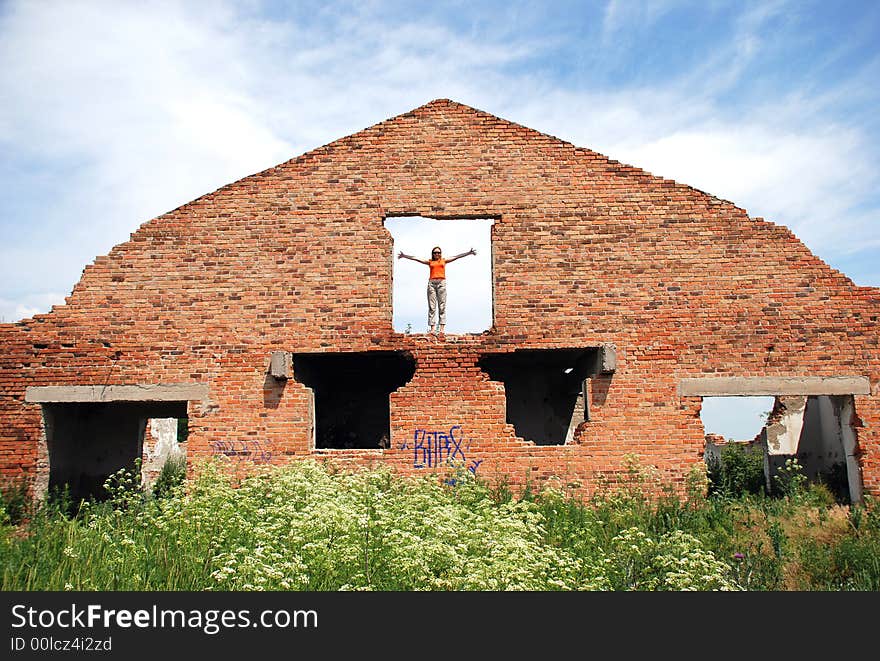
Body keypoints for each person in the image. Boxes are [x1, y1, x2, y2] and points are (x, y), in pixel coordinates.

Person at [397, 246, 476, 334]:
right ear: (432, 254)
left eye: (438, 252)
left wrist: (469, 253)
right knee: (432, 307)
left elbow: (457, 256)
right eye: (435, 253)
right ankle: (433, 329)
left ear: (440, 254)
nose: (437, 254)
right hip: (431, 284)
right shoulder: (430, 262)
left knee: (442, 306)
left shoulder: (444, 260)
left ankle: (442, 329)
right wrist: (404, 256)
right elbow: (416, 258)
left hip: (441, 283)